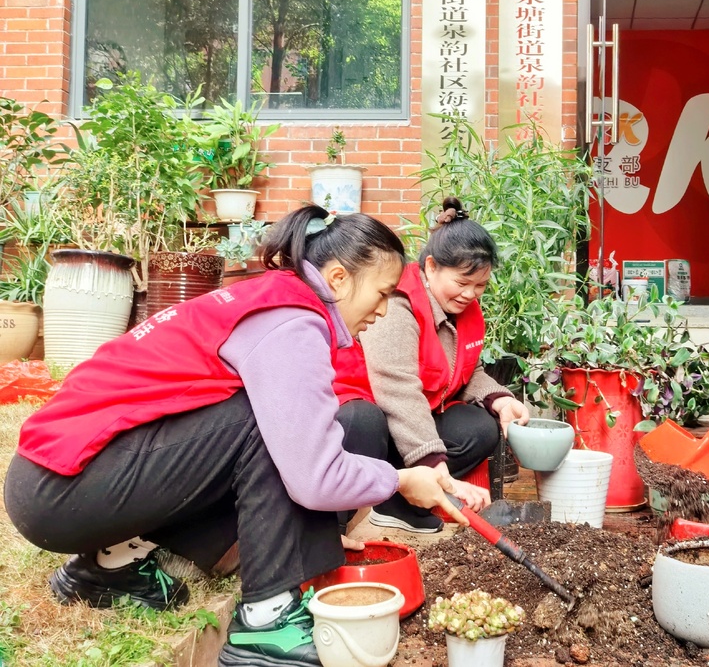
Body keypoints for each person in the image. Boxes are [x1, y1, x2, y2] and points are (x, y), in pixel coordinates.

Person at [4, 205, 470, 667]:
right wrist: (398, 480)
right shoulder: (290, 320)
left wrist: (309, 536)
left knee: (274, 420)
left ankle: (109, 567)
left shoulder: (272, 298)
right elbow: (314, 477)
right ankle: (266, 621)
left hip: (57, 481)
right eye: (382, 293)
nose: (384, 309)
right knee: (269, 422)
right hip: (63, 488)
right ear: (338, 279)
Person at [337, 196, 530, 534]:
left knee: (479, 428)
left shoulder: (461, 309)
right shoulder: (398, 304)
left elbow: (465, 371)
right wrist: (432, 463)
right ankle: (338, 522)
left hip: (405, 424)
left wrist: (500, 399)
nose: (470, 294)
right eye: (462, 282)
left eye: (480, 286)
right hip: (368, 418)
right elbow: (397, 390)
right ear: (430, 267)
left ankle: (397, 505)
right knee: (364, 421)